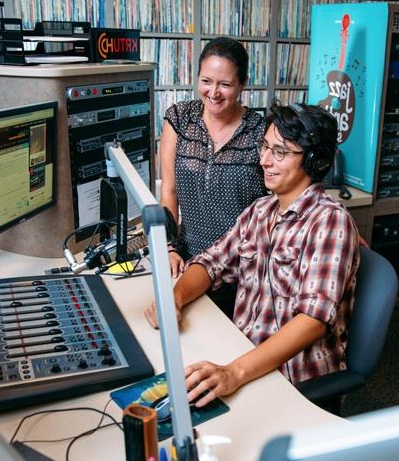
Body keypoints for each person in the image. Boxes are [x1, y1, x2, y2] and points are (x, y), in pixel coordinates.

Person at [144, 104, 360, 408]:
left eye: (280, 152)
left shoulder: (329, 222)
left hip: (292, 380)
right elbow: (212, 263)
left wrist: (234, 372)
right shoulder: (261, 211)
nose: (264, 160)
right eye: (265, 147)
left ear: (315, 161)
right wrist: (175, 297)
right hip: (243, 357)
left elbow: (312, 320)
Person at [160, 37, 267, 318]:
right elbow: (169, 191)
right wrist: (169, 248)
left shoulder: (260, 131)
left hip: (241, 268)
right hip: (187, 260)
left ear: (243, 84)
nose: (214, 92)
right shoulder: (180, 119)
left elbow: (284, 196)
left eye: (225, 84)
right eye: (206, 81)